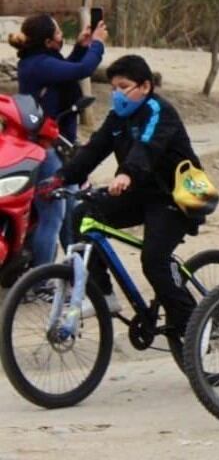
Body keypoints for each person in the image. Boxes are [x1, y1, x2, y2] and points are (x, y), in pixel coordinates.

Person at [55, 55, 204, 330]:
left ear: (145, 86)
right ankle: (104, 294)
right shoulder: (119, 117)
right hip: (139, 194)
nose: (116, 94)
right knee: (82, 216)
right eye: (113, 88)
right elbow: (94, 149)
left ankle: (194, 325)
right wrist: (59, 179)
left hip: (174, 197)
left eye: (123, 86)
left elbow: (147, 146)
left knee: (153, 260)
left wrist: (126, 174)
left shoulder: (158, 111)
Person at [9, 14, 107, 269]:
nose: (62, 34)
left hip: (58, 148)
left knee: (69, 213)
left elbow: (65, 72)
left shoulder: (42, 62)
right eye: (59, 31)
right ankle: (42, 280)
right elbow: (81, 70)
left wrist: (81, 47)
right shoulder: (38, 64)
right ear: (48, 40)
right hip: (46, 149)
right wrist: (97, 44)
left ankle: (73, 274)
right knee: (53, 215)